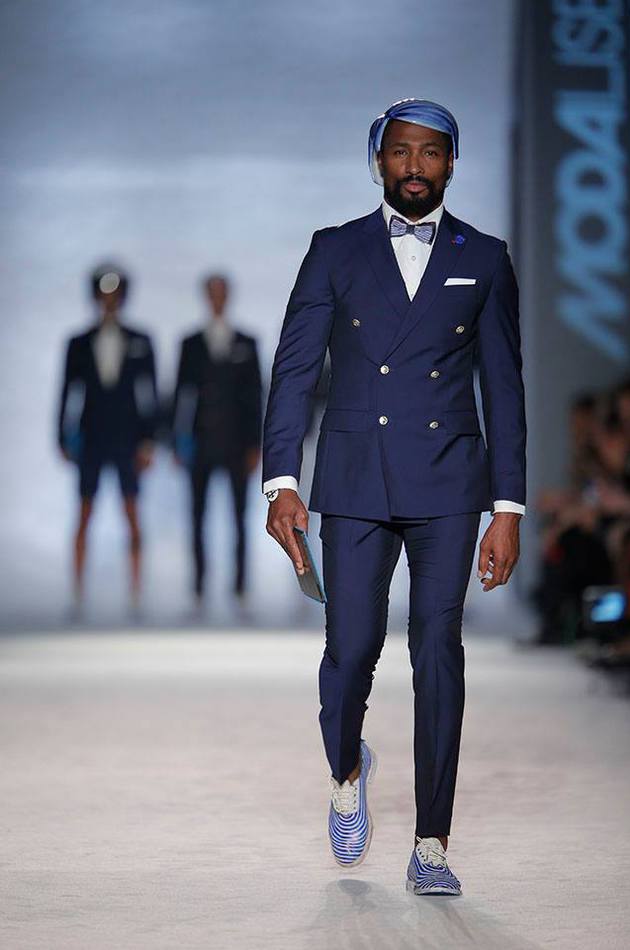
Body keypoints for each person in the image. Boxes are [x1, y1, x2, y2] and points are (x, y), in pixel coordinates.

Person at [261, 98, 526, 896]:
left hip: (448, 480)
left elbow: (503, 388)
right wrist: (281, 480)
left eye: (431, 152)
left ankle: (431, 843)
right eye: (402, 151)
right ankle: (346, 770)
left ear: (451, 163)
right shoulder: (334, 249)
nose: (415, 166)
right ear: (378, 160)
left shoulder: (485, 257)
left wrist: (507, 508)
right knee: (349, 652)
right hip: (353, 477)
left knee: (437, 652)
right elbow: (295, 368)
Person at [57, 264, 158, 612]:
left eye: (115, 293)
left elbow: (151, 395)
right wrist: (62, 436)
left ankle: (136, 593)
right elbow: (67, 392)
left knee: (131, 512)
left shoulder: (141, 340)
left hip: (128, 438)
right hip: (92, 437)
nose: (109, 300)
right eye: (104, 293)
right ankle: (76, 593)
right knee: (84, 512)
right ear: (96, 296)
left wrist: (149, 440)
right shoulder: (79, 342)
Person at [171, 274, 262, 607]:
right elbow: (179, 394)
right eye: (213, 293)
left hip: (237, 444)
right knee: (198, 515)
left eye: (222, 293)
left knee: (239, 517)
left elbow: (256, 397)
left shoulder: (247, 342)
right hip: (201, 442)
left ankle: (240, 586)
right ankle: (198, 585)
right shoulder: (191, 343)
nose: (217, 299)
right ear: (206, 297)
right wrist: (175, 442)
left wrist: (256, 444)